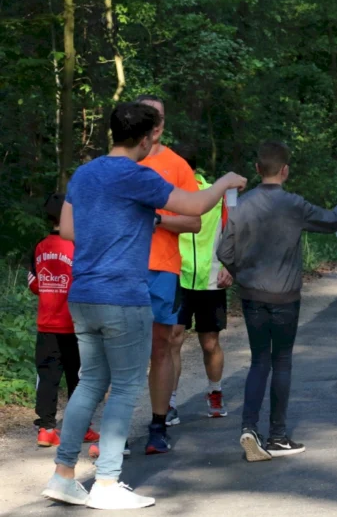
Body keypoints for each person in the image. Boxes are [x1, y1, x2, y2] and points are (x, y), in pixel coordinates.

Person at [41, 102, 245, 510]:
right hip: (122, 295)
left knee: (90, 383)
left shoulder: (85, 174)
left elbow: (69, 229)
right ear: (149, 137)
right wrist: (224, 181)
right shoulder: (139, 176)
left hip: (83, 294)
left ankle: (63, 475)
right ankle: (106, 481)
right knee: (125, 386)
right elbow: (195, 207)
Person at [217, 141, 337, 462]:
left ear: (258, 169)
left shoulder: (241, 206)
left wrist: (240, 273)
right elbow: (331, 221)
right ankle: (277, 435)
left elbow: (224, 252)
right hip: (286, 297)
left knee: (258, 361)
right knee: (282, 361)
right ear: (285, 170)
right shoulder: (294, 205)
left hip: (252, 296)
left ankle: (249, 427)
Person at [136, 95, 201, 455]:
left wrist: (158, 219)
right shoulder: (120, 164)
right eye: (149, 116)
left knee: (161, 347)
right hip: (124, 268)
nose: (155, 122)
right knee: (121, 349)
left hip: (163, 268)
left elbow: (194, 221)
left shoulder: (177, 166)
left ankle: (158, 426)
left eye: (159, 117)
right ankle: (115, 431)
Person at [29, 194, 100, 448]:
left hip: (46, 323)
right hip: (75, 324)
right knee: (78, 378)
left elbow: (33, 283)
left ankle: (46, 429)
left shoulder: (40, 246)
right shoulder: (78, 246)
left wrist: (51, 288)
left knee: (47, 376)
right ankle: (80, 428)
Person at [171, 144, 232, 421]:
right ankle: (169, 401)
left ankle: (215, 391)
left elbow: (233, 231)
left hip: (210, 279)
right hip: (176, 278)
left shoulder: (216, 194)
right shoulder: (165, 195)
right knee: (173, 340)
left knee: (210, 343)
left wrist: (230, 266)